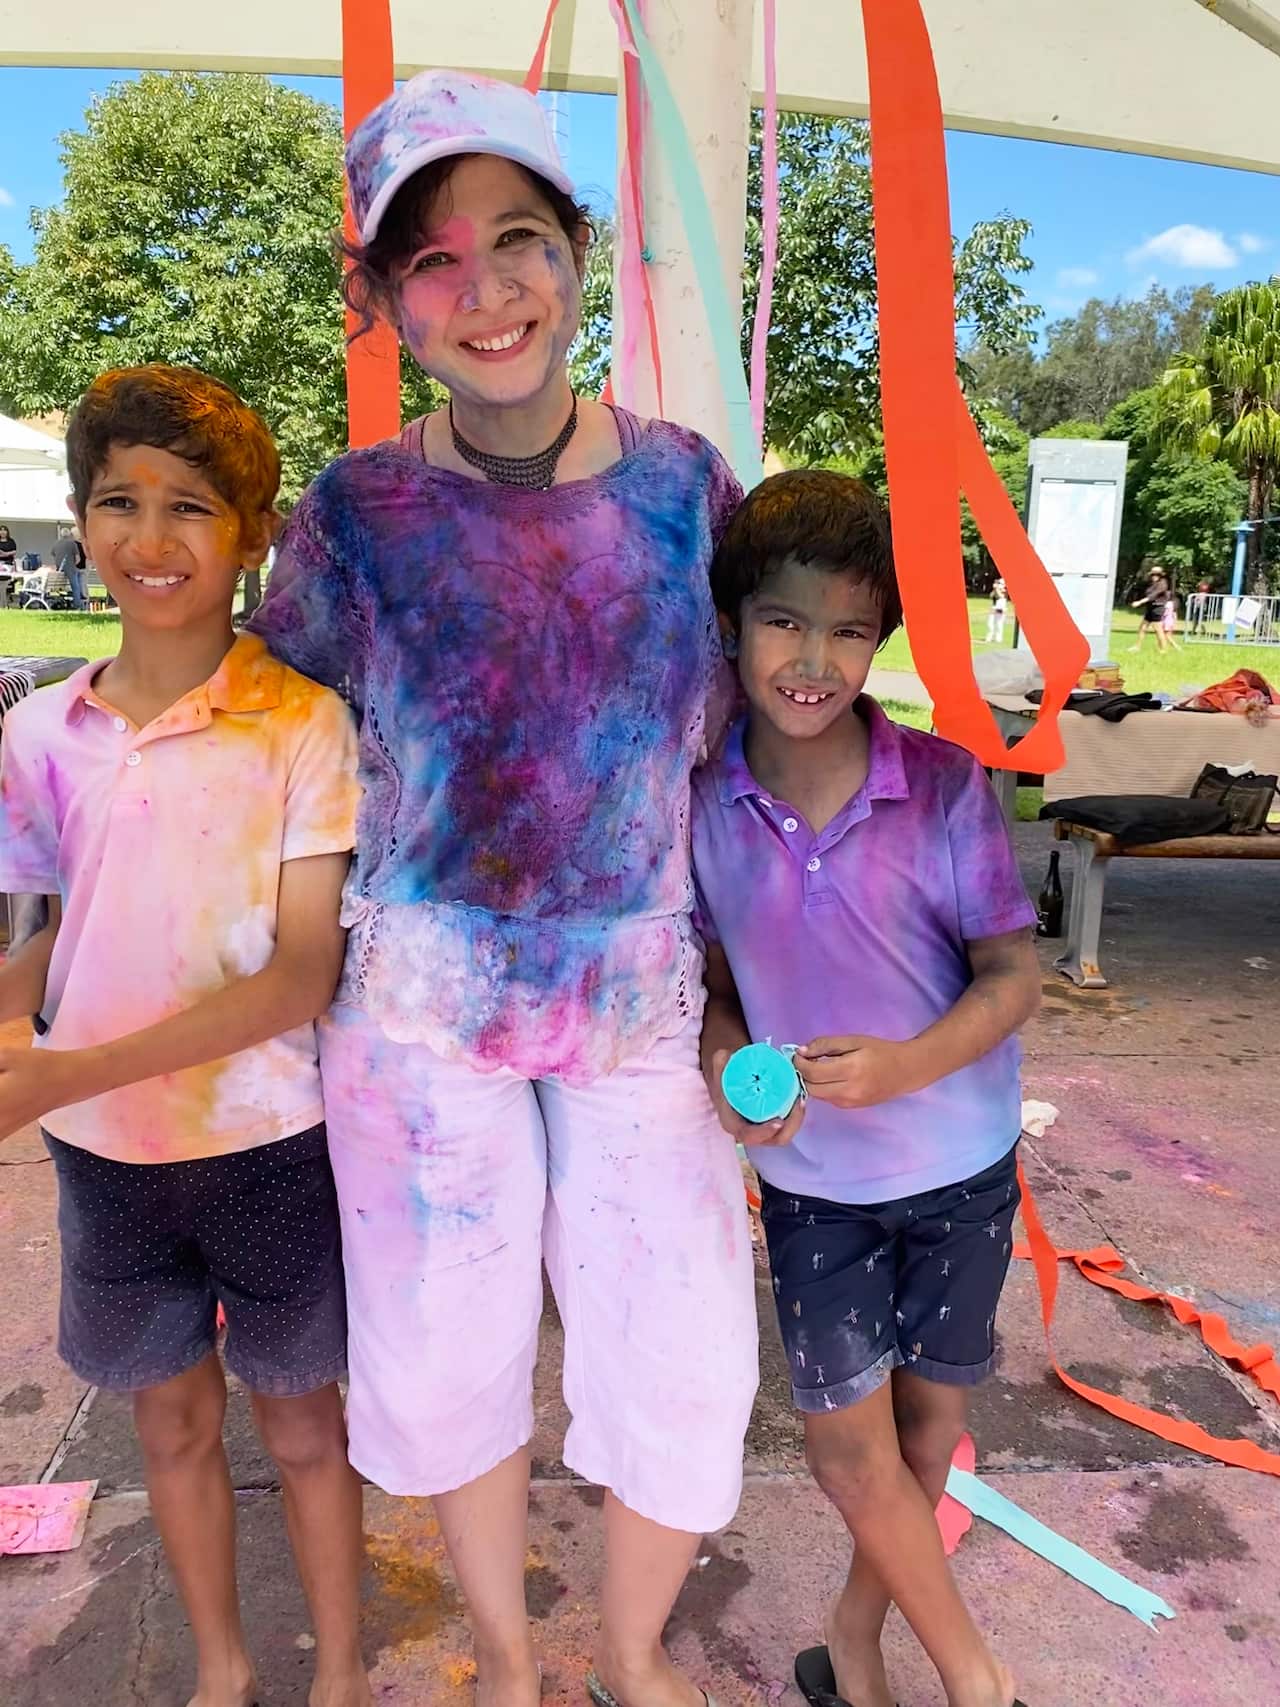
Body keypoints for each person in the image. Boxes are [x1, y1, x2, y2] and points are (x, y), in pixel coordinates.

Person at [248, 70, 757, 1707]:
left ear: (580, 252)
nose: (488, 293)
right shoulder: (354, 513)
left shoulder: (687, 490)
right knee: (449, 1354)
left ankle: (626, 1649)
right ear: (385, 296)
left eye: (519, 241)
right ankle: (504, 1655)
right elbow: (275, 747)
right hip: (413, 1015)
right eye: (437, 261)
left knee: (684, 1348)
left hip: (638, 1008)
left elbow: (746, 753)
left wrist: (787, 999)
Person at [0, 365, 371, 1707]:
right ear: (81, 516)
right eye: (117, 502)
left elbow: (300, 975)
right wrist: (8, 1023)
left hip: (270, 1141)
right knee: (167, 1419)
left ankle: (338, 1672)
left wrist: (58, 1067)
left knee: (305, 1421)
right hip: (105, 1159)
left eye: (190, 508)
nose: (149, 541)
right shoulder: (41, 729)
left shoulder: (304, 725)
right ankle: (221, 1667)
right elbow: (62, 930)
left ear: (250, 534)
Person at [694, 471, 1040, 1707]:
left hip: (959, 1170)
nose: (811, 660)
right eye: (783, 622)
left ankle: (850, 1645)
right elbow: (715, 989)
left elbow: (1009, 977)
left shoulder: (944, 788)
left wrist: (903, 1066)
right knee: (849, 1452)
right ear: (731, 624)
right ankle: (977, 1681)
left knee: (922, 1443)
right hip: (813, 1187)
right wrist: (727, 1074)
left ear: (876, 639)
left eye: (847, 630)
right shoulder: (701, 804)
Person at [1129, 565, 1171, 653]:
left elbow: (1152, 596)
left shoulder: (1163, 584)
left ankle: (1163, 649)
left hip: (1157, 608)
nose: (1154, 576)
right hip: (1150, 608)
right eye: (1153, 575)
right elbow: (1148, 594)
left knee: (1158, 629)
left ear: (1161, 575)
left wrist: (1139, 602)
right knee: (1142, 628)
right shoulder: (1152, 583)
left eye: (1157, 575)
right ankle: (1137, 647)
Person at [52, 519, 88, 610]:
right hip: (71, 569)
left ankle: (82, 599)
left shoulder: (56, 543)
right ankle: (78, 604)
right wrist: (74, 564)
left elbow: (53, 554)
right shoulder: (73, 544)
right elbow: (78, 558)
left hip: (59, 570)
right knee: (76, 586)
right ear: (69, 535)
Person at [983, 575, 1008, 645]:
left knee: (999, 624)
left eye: (1000, 583)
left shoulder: (1004, 591)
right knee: (990, 624)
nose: (999, 584)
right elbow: (991, 596)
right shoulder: (996, 590)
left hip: (1001, 609)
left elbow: (1000, 596)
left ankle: (998, 638)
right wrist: (994, 589)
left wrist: (996, 588)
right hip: (994, 608)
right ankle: (989, 637)